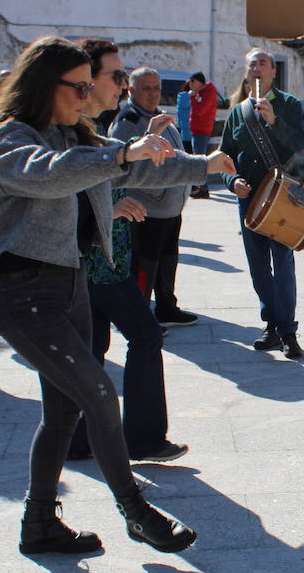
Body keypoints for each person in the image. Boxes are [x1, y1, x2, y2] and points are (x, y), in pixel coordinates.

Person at [0, 35, 223, 555]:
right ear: (45, 84)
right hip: (26, 294)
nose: (87, 96)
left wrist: (208, 166)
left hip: (69, 286)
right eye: (79, 87)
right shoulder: (9, 138)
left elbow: (139, 164)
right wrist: (122, 152)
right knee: (101, 393)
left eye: (90, 86)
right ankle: (136, 510)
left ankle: (38, 526)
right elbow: (49, 177)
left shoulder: (69, 135)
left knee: (63, 415)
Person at [68, 41, 211, 463]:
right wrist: (107, 209)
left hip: (101, 255)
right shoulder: (85, 128)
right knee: (144, 335)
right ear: (86, 81)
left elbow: (106, 174)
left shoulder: (85, 129)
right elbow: (56, 190)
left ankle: (78, 441)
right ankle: (142, 439)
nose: (125, 85)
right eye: (118, 77)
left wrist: (203, 165)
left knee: (92, 346)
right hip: (97, 262)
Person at [220, 47, 304, 359]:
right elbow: (225, 156)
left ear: (273, 71)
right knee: (258, 266)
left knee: (282, 264)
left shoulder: (289, 105)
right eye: (252, 64)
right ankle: (270, 324)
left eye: (263, 63)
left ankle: (287, 331)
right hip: (250, 197)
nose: (258, 68)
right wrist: (232, 182)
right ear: (247, 72)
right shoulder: (237, 112)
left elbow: (300, 144)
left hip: (283, 197)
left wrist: (274, 121)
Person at [113, 66, 198, 327]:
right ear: (131, 90)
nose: (153, 94)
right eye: (146, 88)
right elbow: (124, 165)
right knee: (143, 265)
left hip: (170, 208)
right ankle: (139, 317)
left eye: (157, 88)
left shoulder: (159, 116)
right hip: (146, 209)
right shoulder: (128, 120)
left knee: (167, 259)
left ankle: (166, 308)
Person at [187, 72, 218, 198]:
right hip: (198, 130)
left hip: (202, 130)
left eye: (192, 81)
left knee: (200, 160)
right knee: (199, 159)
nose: (190, 84)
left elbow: (200, 111)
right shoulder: (203, 92)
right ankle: (200, 187)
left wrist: (193, 97)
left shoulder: (208, 93)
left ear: (199, 82)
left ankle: (203, 189)